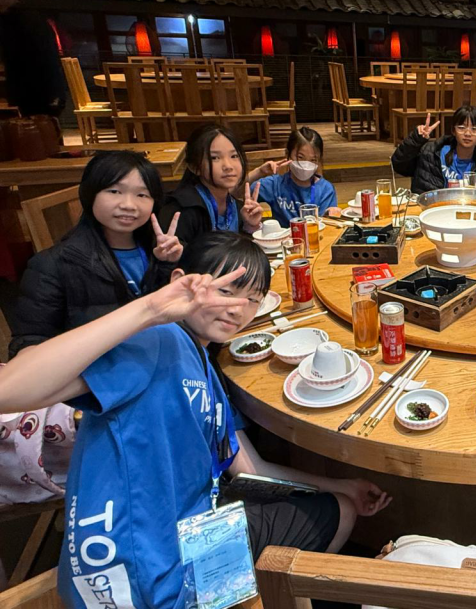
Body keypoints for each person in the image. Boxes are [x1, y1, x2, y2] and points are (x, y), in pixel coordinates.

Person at [0, 232, 391, 609]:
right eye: (226, 290)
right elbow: (9, 389)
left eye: (252, 299)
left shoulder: (201, 363)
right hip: (149, 584)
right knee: (338, 516)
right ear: (180, 282)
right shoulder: (157, 341)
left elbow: (250, 469)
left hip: (169, 552)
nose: (237, 309)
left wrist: (342, 485)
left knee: (339, 506)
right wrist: (149, 309)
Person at [9, 151, 182, 357]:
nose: (128, 205)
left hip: (158, 362)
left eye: (142, 195)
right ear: (90, 194)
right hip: (96, 371)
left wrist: (166, 265)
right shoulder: (53, 264)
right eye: (114, 191)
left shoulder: (159, 252)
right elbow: (29, 342)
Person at [159, 124, 262, 244]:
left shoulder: (238, 208)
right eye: (214, 158)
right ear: (194, 167)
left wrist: (250, 226)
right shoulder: (183, 211)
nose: (228, 166)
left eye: (234, 156)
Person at [0, 0, 65, 118]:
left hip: (38, 90)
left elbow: (43, 57)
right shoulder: (19, 17)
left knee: (39, 127)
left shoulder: (23, 19)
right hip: (39, 91)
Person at [247, 127, 341, 224]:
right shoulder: (275, 184)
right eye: (300, 157)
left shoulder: (326, 189)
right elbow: (239, 189)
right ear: (288, 154)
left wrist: (331, 214)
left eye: (313, 160)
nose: (305, 165)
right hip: (283, 234)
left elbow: (329, 223)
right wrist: (259, 172)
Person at [391, 105, 476, 193]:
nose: (468, 133)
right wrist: (416, 139)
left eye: (474, 129)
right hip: (430, 205)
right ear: (453, 130)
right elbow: (399, 166)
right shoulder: (432, 152)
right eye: (461, 128)